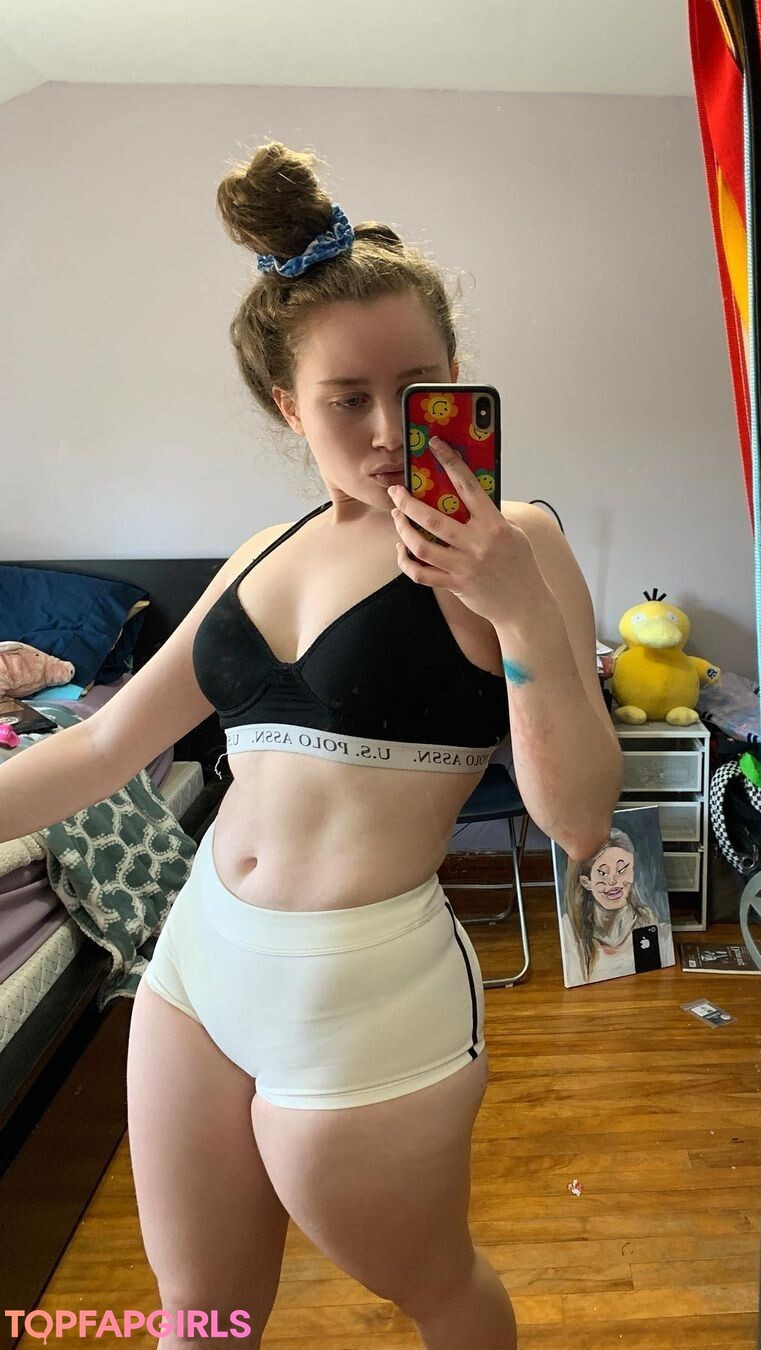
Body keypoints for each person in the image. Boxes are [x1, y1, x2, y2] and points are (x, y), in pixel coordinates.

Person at [0, 142, 622, 1350]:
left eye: (418, 385)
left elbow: (579, 817)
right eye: (346, 398)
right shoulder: (259, 553)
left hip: (361, 993)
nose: (388, 430)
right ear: (288, 406)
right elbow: (105, 744)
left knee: (438, 1290)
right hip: (196, 968)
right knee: (202, 1315)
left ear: (458, 380)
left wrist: (518, 608)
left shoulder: (516, 542)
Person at [560, 828, 674, 985]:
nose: (613, 881)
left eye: (621, 870)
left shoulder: (652, 926)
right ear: (586, 882)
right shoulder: (570, 930)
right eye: (603, 873)